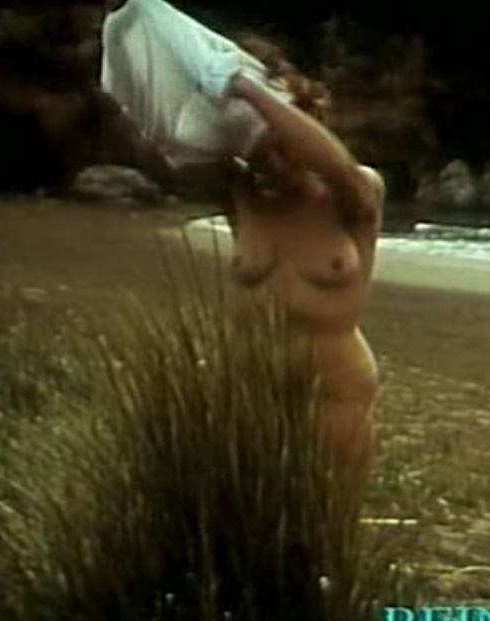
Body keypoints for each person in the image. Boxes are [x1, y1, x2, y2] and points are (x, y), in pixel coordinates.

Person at [100, 4, 386, 492]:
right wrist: (204, 90)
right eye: (262, 147)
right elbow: (176, 150)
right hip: (254, 390)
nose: (277, 158)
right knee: (258, 515)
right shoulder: (240, 195)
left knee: (329, 511)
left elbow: (335, 162)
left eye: (286, 141)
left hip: (336, 388)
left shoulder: (353, 193)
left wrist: (247, 88)